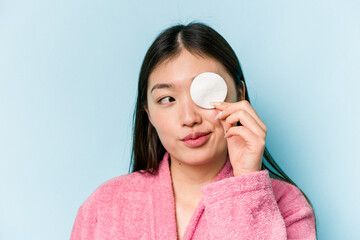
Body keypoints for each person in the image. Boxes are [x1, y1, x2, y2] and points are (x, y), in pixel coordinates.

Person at [70, 22, 316, 240]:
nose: (189, 118)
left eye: (206, 93)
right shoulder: (103, 207)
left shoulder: (289, 206)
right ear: (149, 114)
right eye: (167, 99)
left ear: (240, 95)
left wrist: (245, 186)